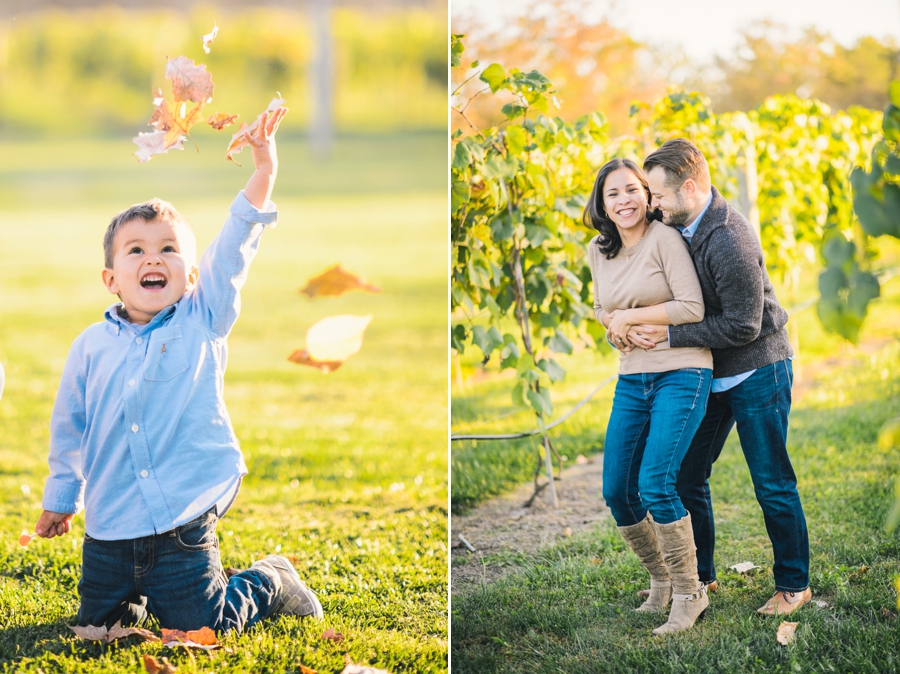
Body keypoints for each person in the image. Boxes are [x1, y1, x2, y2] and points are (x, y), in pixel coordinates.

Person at [35, 107, 324, 632]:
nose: (155, 259)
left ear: (191, 276)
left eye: (169, 250)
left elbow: (233, 250)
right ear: (111, 277)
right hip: (109, 528)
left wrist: (264, 171)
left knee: (199, 623)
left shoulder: (201, 318)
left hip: (181, 524)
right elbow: (69, 428)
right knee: (99, 629)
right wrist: (61, 497)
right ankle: (135, 596)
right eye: (137, 250)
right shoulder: (90, 346)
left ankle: (268, 581)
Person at [612, 138, 811, 616]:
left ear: (692, 187)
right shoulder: (676, 225)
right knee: (685, 476)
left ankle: (794, 584)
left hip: (758, 368)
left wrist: (667, 334)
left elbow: (745, 325)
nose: (651, 205)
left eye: (657, 195)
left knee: (771, 481)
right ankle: (701, 578)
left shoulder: (729, 237)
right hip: (710, 372)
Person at [585, 158, 713, 634]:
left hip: (682, 371)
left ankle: (689, 592)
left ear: (647, 194)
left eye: (633, 190)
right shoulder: (599, 250)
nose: (624, 201)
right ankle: (660, 581)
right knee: (617, 489)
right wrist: (615, 326)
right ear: (601, 203)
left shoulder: (666, 240)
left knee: (657, 482)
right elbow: (602, 307)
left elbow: (691, 306)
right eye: (613, 193)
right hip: (632, 376)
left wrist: (638, 320)